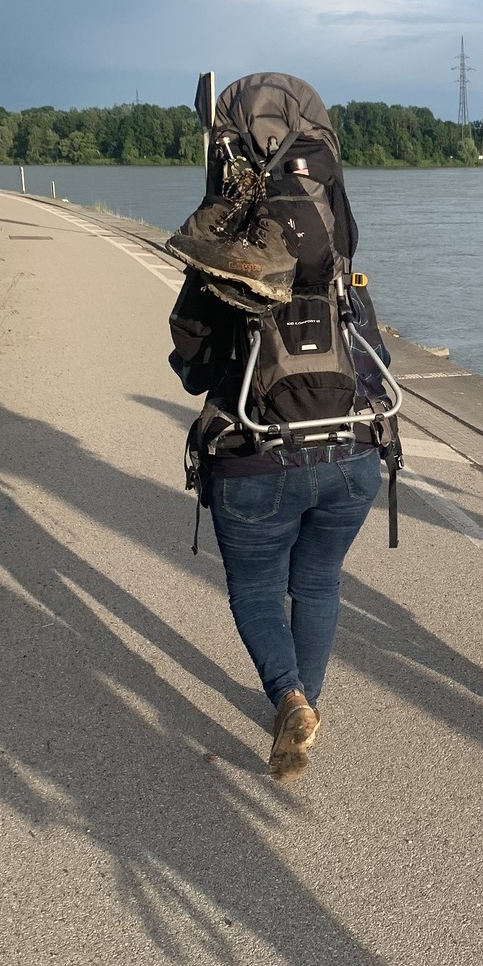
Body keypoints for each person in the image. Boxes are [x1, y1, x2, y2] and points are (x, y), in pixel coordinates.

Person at [168, 74, 387, 780]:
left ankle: (290, 698)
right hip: (352, 451)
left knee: (258, 589)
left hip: (255, 457)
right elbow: (375, 356)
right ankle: (306, 704)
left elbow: (194, 367)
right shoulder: (338, 262)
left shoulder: (221, 258)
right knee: (319, 581)